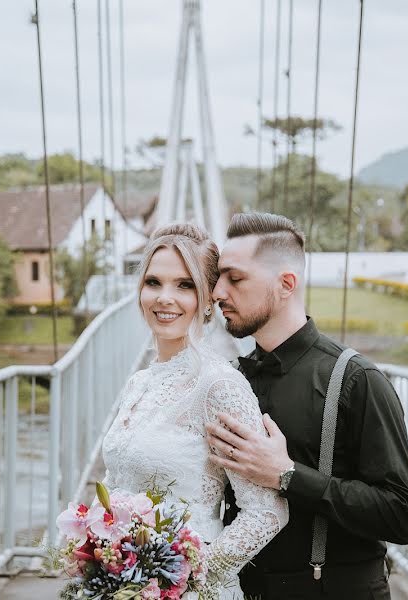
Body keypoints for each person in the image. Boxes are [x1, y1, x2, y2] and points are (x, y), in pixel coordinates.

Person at [206, 213, 408, 600]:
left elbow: (402, 514)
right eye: (218, 278)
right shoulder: (230, 380)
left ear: (286, 284)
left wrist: (288, 475)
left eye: (235, 278)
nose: (218, 292)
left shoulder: (357, 380)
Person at [101, 223, 289, 599]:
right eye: (153, 283)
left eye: (184, 285)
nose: (164, 298)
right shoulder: (139, 383)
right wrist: (92, 548)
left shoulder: (220, 386)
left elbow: (267, 512)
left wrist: (186, 579)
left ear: (207, 300)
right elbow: (115, 481)